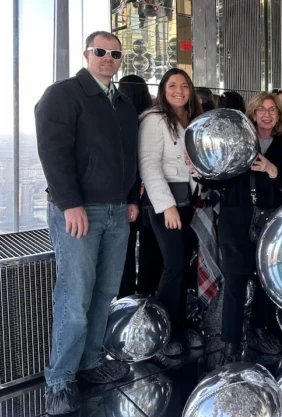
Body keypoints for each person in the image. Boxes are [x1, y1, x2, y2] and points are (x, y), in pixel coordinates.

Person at [35, 31, 139, 415]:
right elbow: (53, 152)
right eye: (101, 52)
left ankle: (90, 363)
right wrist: (70, 204)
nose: (108, 58)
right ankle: (60, 380)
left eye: (114, 53)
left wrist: (130, 199)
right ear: (86, 54)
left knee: (103, 294)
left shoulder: (123, 105)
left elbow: (129, 157)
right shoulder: (64, 94)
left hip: (116, 212)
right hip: (80, 211)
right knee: (74, 298)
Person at [204, 92, 282, 362]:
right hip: (236, 216)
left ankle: (259, 330)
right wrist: (200, 171)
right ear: (253, 114)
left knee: (266, 279)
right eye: (262, 110)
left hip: (273, 218)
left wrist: (272, 169)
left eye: (272, 110)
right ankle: (231, 343)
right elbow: (218, 177)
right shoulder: (238, 141)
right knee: (235, 279)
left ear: (279, 116)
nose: (267, 114)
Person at [138, 68, 204, 356]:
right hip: (166, 203)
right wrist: (166, 206)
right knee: (174, 265)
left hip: (189, 202)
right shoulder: (154, 120)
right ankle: (164, 333)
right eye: (173, 85)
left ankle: (178, 324)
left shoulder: (192, 121)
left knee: (184, 266)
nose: (179, 90)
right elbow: (149, 165)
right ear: (163, 89)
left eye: (184, 86)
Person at [116, 75, 161, 298]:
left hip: (128, 193)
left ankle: (125, 297)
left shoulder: (120, 117)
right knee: (150, 248)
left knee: (124, 248)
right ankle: (146, 294)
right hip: (153, 196)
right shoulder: (152, 117)